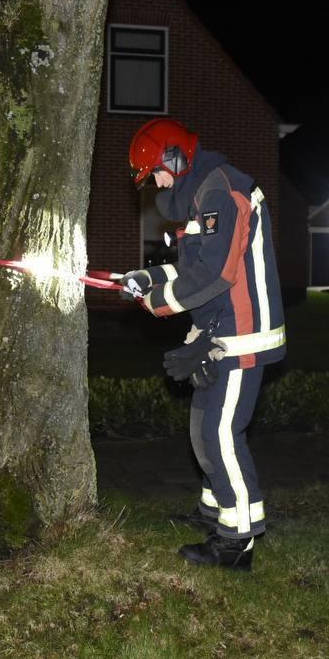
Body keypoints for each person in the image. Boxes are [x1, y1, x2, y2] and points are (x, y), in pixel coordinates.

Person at [123, 117, 286, 572]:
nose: (157, 184)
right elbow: (193, 267)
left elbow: (216, 275)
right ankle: (215, 515)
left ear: (176, 158)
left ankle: (237, 542)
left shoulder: (221, 193)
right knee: (202, 429)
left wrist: (157, 303)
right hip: (217, 331)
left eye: (157, 174)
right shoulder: (202, 195)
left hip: (241, 333)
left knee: (220, 434)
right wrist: (148, 278)